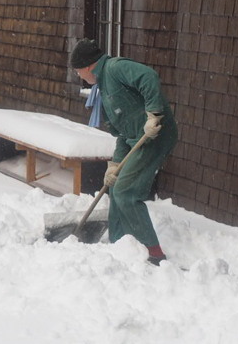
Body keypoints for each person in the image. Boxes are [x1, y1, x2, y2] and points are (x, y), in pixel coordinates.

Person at [68, 39, 179, 265]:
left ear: (88, 65)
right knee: (116, 185)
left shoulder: (114, 68)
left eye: (78, 70)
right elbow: (122, 135)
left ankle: (153, 252)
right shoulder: (102, 90)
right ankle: (120, 243)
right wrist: (115, 165)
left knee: (126, 192)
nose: (79, 75)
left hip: (155, 135)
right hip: (137, 139)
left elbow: (148, 76)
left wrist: (154, 114)